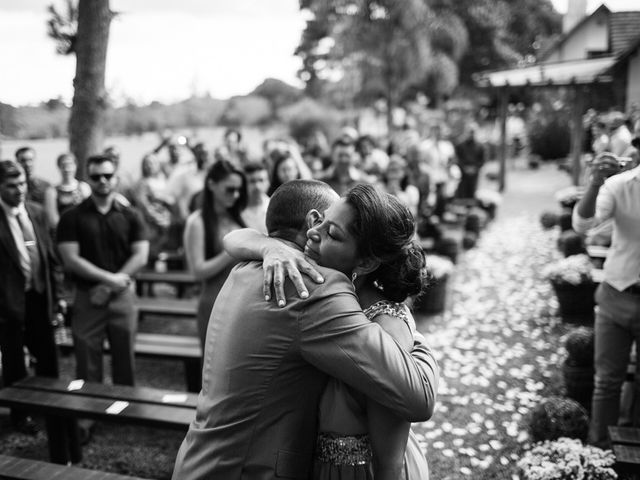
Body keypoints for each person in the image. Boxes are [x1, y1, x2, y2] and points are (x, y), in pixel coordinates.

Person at [171, 179, 438, 480]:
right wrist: (415, 336)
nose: (316, 231)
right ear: (311, 218)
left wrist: (265, 245)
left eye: (331, 230)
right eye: (321, 221)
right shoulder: (313, 287)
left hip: (197, 459)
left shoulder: (244, 267)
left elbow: (235, 238)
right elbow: (420, 396)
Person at [57, 154, 149, 388]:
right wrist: (109, 280)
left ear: (115, 177)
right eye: (96, 176)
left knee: (125, 356)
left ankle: (125, 407)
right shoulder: (71, 217)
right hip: (88, 297)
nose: (102, 181)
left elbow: (141, 255)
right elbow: (71, 259)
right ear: (88, 178)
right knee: (87, 357)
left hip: (122, 296)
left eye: (107, 175)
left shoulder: (131, 215)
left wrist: (109, 287)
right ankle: (89, 415)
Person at [572, 152, 640, 448]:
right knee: (606, 383)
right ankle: (600, 452)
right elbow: (584, 224)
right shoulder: (621, 184)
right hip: (617, 291)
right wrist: (595, 183)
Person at [0, 160, 64, 434]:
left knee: (48, 357)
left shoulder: (36, 212)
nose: (19, 190)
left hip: (39, 296)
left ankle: (52, 408)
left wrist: (58, 295)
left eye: (22, 183)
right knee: (15, 362)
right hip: (8, 303)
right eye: (11, 185)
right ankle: (20, 414)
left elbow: (51, 259)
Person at [183, 160, 247, 348]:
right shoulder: (198, 222)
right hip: (215, 302)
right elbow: (197, 270)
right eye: (229, 189)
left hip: (242, 302)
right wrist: (231, 251)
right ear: (211, 185)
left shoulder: (236, 217)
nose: (235, 195)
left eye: (239, 190)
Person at [130, 153, 176, 265]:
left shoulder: (164, 180)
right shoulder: (142, 183)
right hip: (150, 223)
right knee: (151, 252)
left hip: (166, 219)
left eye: (152, 163)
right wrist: (157, 218)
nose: (149, 166)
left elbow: (171, 199)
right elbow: (143, 204)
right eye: (146, 163)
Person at [43, 153, 91, 230]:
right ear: (59, 167)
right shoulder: (52, 192)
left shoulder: (84, 187)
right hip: (62, 232)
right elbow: (53, 221)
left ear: (76, 166)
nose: (67, 169)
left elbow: (91, 214)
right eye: (63, 166)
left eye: (70, 165)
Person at [380, 154, 420, 218]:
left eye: (396, 170)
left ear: (403, 172)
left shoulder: (412, 190)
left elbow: (413, 214)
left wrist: (397, 195)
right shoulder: (379, 189)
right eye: (390, 170)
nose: (393, 174)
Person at [454, 123, 486, 200]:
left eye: (472, 132)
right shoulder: (460, 145)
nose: (470, 134)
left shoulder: (480, 146)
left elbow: (482, 160)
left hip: (474, 173)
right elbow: (458, 158)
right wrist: (464, 168)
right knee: (462, 192)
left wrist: (474, 169)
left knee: (473, 192)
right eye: (469, 132)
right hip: (462, 173)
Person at [241, 161, 270, 233]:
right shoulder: (237, 211)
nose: (257, 186)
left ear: (268, 182)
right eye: (252, 181)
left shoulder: (277, 208)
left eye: (261, 180)